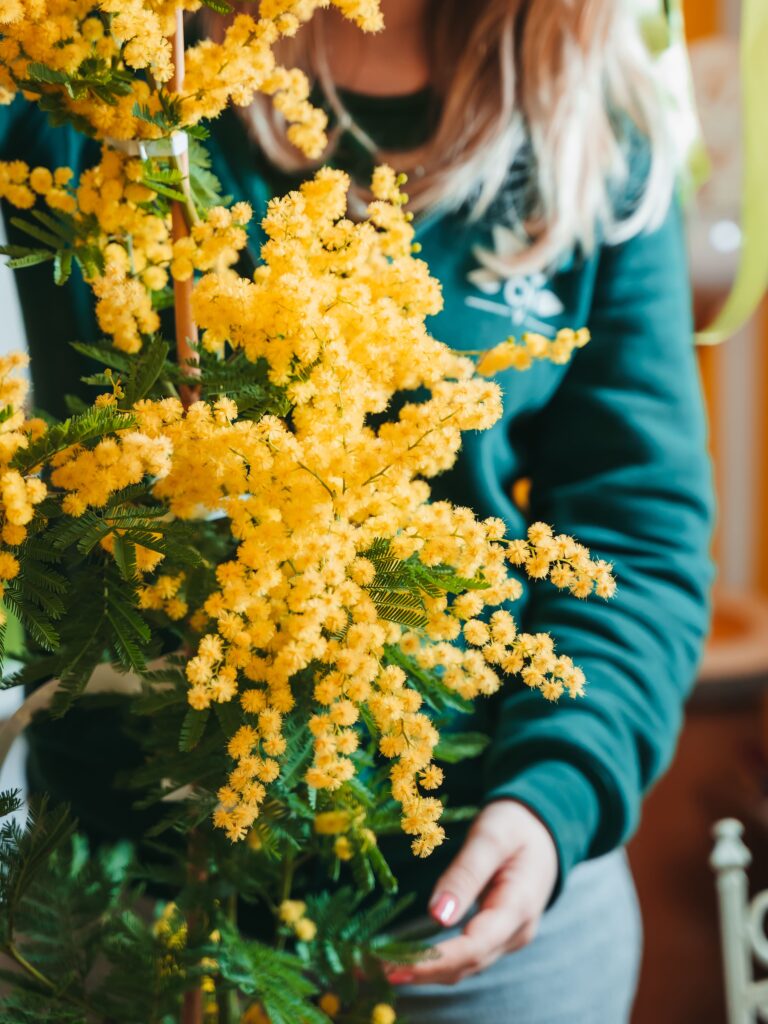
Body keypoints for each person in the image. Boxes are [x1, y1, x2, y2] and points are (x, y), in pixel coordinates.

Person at [0, 1, 714, 1020]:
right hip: (110, 909)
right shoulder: (98, 66)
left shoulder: (594, 137)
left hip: (478, 915)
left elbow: (636, 527)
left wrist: (557, 792)